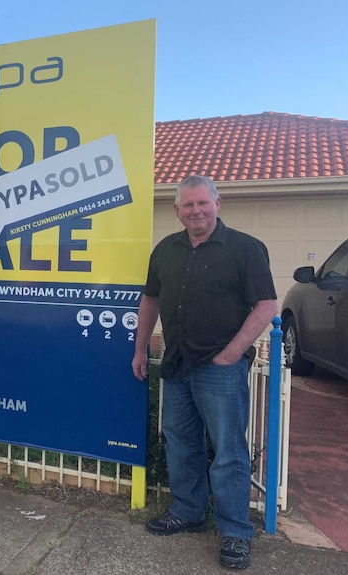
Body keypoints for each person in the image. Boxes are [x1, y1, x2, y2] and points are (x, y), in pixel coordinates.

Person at [131, 175, 277, 570]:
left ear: (217, 204)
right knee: (180, 441)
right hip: (177, 362)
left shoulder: (245, 249)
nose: (195, 211)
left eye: (202, 203)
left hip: (219, 368)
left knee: (228, 451)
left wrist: (231, 354)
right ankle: (189, 511)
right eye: (187, 205)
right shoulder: (166, 250)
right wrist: (141, 346)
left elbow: (266, 305)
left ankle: (235, 532)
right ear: (176, 210)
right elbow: (150, 299)